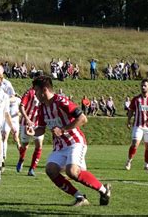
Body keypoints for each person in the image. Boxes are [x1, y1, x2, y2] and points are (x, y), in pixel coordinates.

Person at [27, 76, 111, 206]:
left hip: (75, 142)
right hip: (60, 146)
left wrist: (63, 129)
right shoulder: (42, 108)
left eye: (36, 91)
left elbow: (83, 118)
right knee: (50, 170)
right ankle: (80, 197)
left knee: (72, 172)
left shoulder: (61, 101)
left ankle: (104, 191)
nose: (35, 94)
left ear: (44, 90)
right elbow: (41, 129)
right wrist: (33, 132)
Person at [125, 79, 148, 171]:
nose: (143, 87)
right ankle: (129, 161)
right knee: (134, 144)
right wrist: (128, 121)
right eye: (142, 86)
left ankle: (147, 165)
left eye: (145, 86)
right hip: (138, 125)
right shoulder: (136, 99)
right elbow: (131, 111)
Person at [17, 86, 43, 176]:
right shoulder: (29, 92)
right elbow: (21, 107)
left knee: (39, 145)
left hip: (38, 124)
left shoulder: (44, 93)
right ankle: (21, 159)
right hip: (26, 123)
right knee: (24, 145)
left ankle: (32, 169)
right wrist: (27, 119)